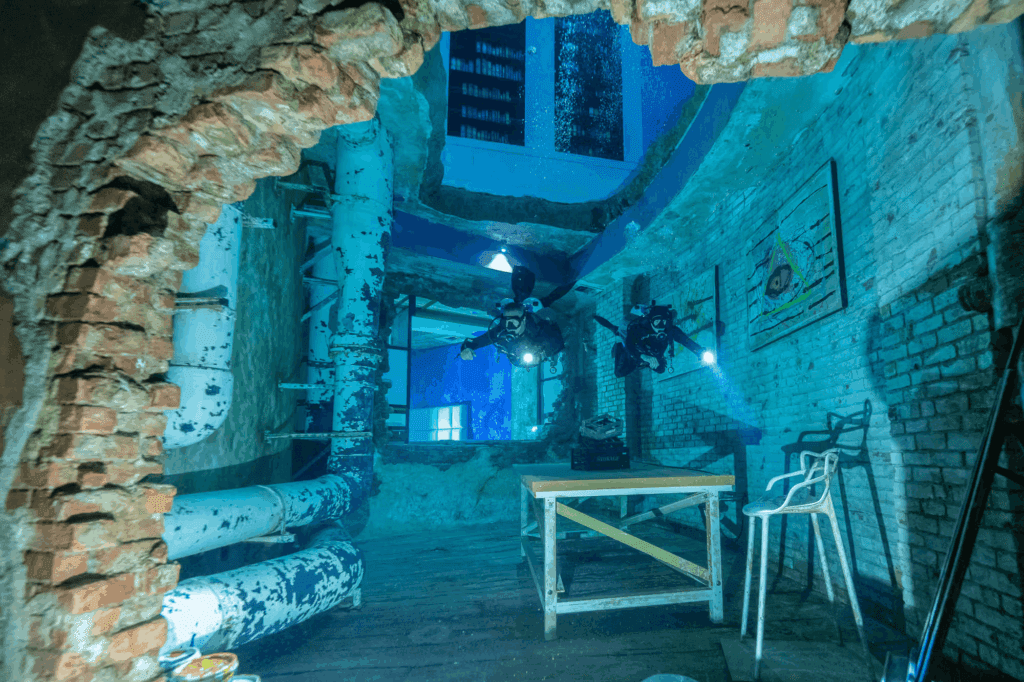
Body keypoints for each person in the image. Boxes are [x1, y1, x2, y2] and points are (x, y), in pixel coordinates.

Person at [459, 266, 574, 369]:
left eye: (513, 323)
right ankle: (522, 277)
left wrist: (543, 351)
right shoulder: (502, 330)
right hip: (524, 354)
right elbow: (476, 342)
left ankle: (572, 278)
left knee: (548, 299)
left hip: (532, 316)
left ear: (523, 320)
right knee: (526, 299)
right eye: (506, 322)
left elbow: (556, 342)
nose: (509, 328)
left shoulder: (537, 326)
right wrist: (466, 349)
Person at [594, 301, 709, 378]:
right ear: (650, 321)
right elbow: (630, 344)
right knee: (619, 373)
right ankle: (618, 340)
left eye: (664, 322)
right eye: (657, 322)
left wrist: (699, 351)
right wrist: (642, 357)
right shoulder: (639, 328)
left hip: (652, 350)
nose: (661, 326)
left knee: (661, 369)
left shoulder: (670, 329)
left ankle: (643, 361)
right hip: (636, 347)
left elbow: (686, 341)